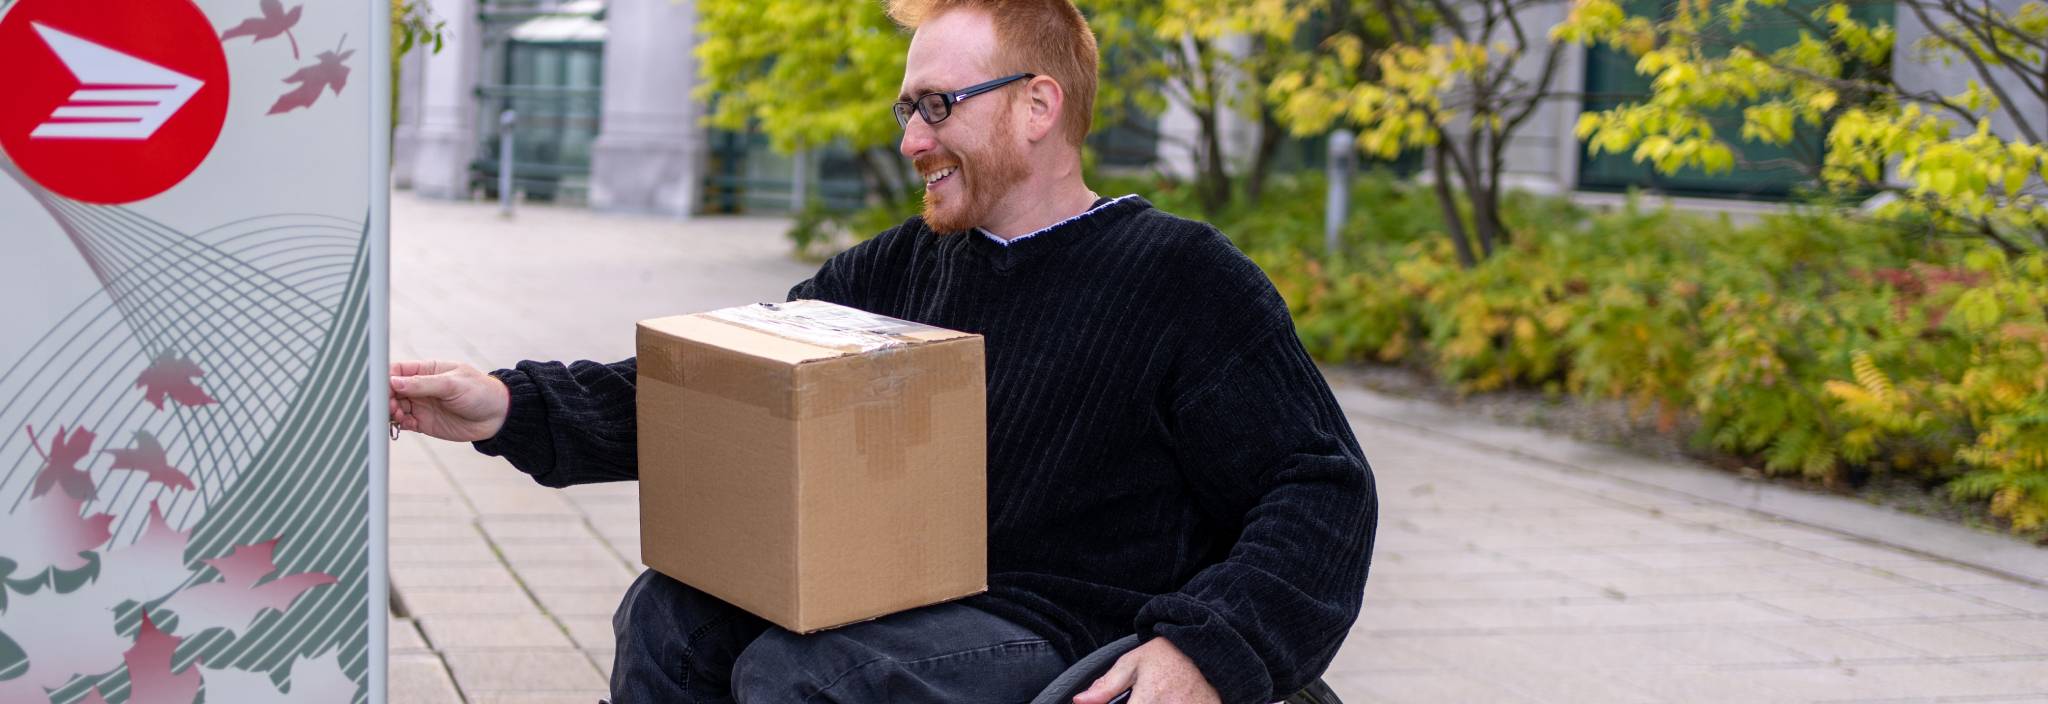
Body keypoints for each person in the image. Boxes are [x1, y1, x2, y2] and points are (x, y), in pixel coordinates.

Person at [387, 0, 1377, 701]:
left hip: (1069, 625)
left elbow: (1317, 486)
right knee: (671, 612)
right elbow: (719, 395)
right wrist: (509, 405)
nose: (911, 139)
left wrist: (1211, 650)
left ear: (1037, 106)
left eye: (937, 106)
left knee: (811, 676)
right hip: (899, 597)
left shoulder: (1182, 278)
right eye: (908, 109)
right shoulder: (896, 269)